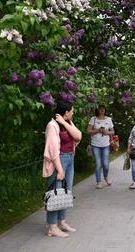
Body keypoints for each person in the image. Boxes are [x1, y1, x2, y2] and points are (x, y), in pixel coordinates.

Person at [43, 101, 82, 238]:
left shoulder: (68, 123)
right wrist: (60, 170)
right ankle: (52, 227)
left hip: (70, 158)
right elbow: (53, 150)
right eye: (72, 110)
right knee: (56, 193)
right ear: (66, 112)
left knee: (66, 192)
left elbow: (78, 136)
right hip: (58, 161)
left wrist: (65, 123)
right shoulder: (52, 125)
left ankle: (61, 222)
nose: (73, 112)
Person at [86, 104, 115, 189]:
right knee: (98, 163)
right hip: (95, 144)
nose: (102, 110)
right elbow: (88, 131)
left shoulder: (109, 120)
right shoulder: (93, 119)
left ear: (105, 110)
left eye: (103, 109)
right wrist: (97, 130)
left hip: (105, 144)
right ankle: (98, 181)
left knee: (105, 163)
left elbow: (113, 132)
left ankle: (106, 176)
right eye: (100, 109)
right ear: (97, 110)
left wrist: (107, 132)